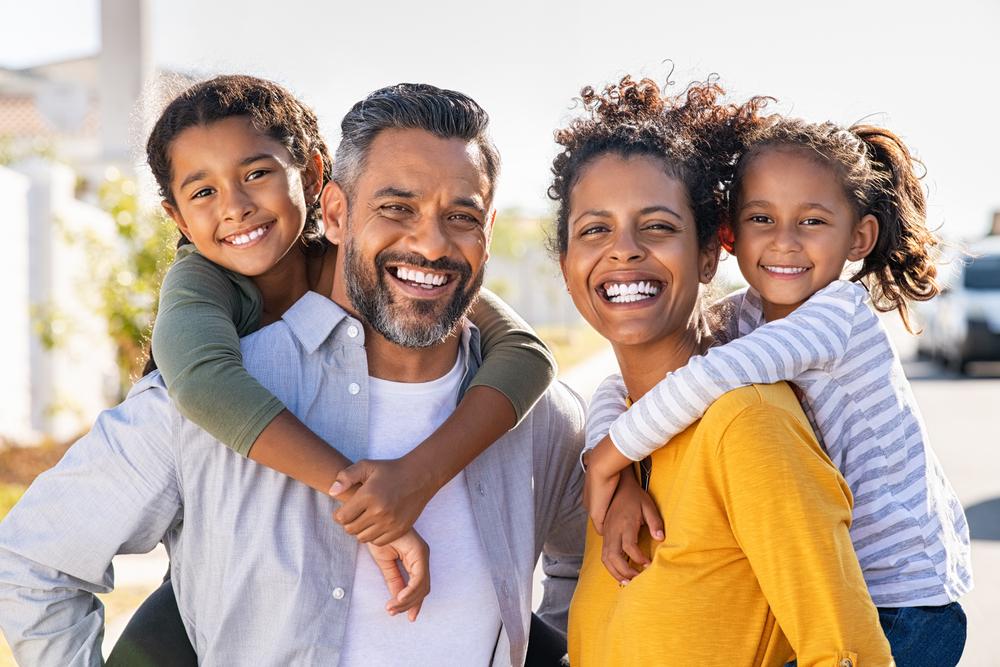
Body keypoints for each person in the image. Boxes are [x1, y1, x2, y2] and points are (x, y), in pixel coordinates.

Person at [0, 82, 586, 667]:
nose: (430, 243)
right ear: (336, 212)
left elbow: (591, 565)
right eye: (396, 208)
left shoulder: (538, 417)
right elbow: (32, 567)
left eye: (461, 215)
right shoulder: (193, 398)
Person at [584, 108, 971, 666]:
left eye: (812, 221)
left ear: (859, 236)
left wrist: (604, 460)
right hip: (844, 590)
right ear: (730, 235)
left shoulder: (837, 316)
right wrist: (614, 468)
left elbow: (707, 378)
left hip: (905, 607)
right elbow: (620, 388)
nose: (784, 242)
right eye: (761, 219)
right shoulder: (740, 319)